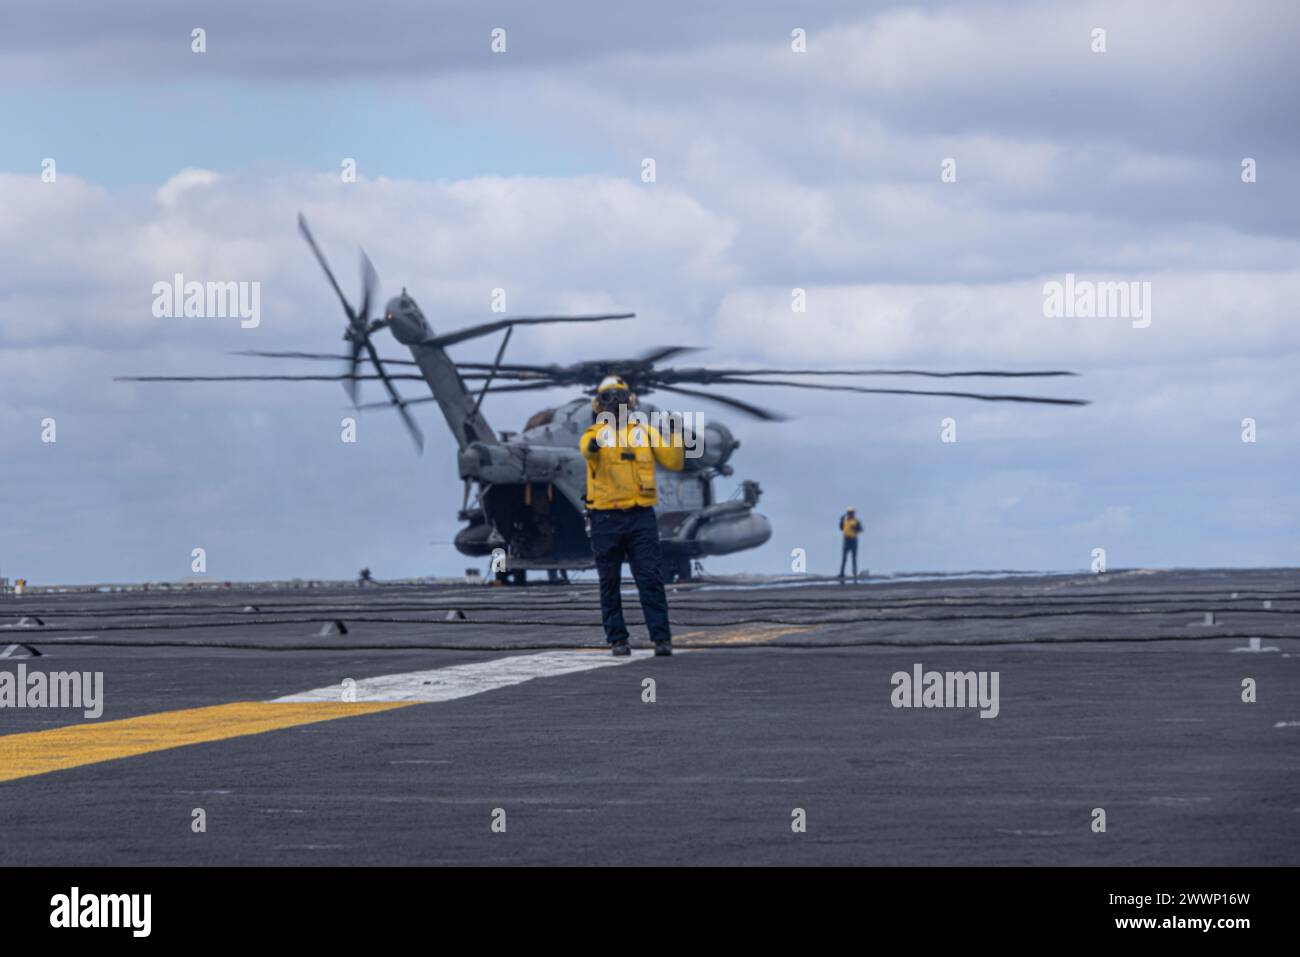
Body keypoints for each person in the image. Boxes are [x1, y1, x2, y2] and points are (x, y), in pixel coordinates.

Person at [580, 375, 684, 656]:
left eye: (620, 397)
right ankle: (617, 639)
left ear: (632, 401)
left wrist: (674, 432)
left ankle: (661, 639)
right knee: (609, 581)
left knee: (650, 576)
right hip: (605, 518)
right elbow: (588, 450)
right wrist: (606, 427)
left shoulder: (646, 432)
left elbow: (674, 461)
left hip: (640, 517)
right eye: (608, 398)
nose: (615, 403)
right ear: (598, 404)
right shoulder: (594, 434)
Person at [838, 507, 863, 581]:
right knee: (844, 558)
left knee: (854, 558)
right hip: (846, 540)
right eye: (849, 513)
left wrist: (855, 528)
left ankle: (854, 573)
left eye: (851, 513)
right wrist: (841, 521)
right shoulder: (845, 521)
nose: (850, 514)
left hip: (853, 540)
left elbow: (860, 529)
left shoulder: (856, 521)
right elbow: (841, 528)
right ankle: (842, 573)